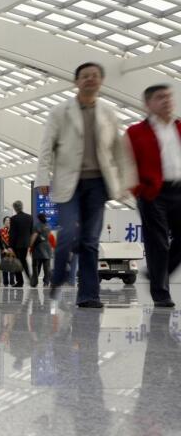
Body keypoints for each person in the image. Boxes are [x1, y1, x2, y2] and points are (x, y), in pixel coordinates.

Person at [37, 61, 131, 309]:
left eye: (95, 76)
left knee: (90, 240)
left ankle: (89, 295)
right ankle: (58, 278)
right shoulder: (60, 112)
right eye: (85, 76)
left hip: (98, 184)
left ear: (101, 81)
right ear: (76, 81)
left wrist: (123, 182)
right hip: (70, 182)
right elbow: (47, 147)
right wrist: (42, 180)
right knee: (67, 234)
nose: (90, 79)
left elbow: (118, 150)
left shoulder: (108, 112)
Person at [124, 84, 181, 308]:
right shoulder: (136, 132)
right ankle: (161, 293)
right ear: (148, 104)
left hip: (179, 190)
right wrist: (137, 189)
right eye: (160, 97)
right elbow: (126, 162)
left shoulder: (179, 127)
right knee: (158, 243)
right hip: (152, 192)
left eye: (168, 96)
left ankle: (160, 272)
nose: (166, 101)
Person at [7, 200, 33, 288]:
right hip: (26, 244)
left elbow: (12, 233)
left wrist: (10, 246)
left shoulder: (14, 218)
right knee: (23, 261)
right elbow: (31, 231)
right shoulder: (29, 217)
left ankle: (20, 281)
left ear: (15, 208)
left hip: (16, 245)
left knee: (17, 262)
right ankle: (30, 279)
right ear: (22, 206)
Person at [29, 213, 54, 288]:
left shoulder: (37, 225)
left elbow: (34, 236)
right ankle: (46, 282)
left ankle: (34, 282)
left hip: (38, 248)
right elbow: (49, 236)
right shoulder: (48, 226)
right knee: (47, 267)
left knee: (36, 266)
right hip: (47, 247)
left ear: (38, 218)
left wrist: (30, 245)